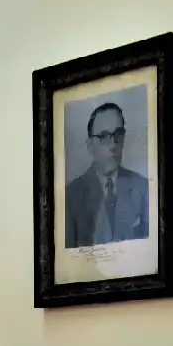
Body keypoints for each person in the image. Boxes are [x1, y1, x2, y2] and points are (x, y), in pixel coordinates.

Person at [65, 101, 149, 248]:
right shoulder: (70, 196)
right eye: (104, 137)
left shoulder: (143, 188)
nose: (113, 145)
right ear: (90, 146)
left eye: (118, 134)